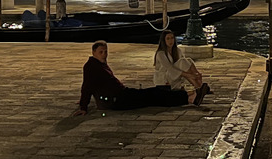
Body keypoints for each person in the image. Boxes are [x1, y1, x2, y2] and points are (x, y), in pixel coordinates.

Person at [75, 40, 206, 114]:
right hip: (116, 100)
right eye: (101, 52)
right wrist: (83, 106)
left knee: (155, 92)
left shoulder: (99, 64)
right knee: (153, 96)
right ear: (93, 53)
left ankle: (191, 95)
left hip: (121, 94)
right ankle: (189, 98)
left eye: (105, 52)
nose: (104, 55)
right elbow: (87, 86)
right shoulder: (91, 67)